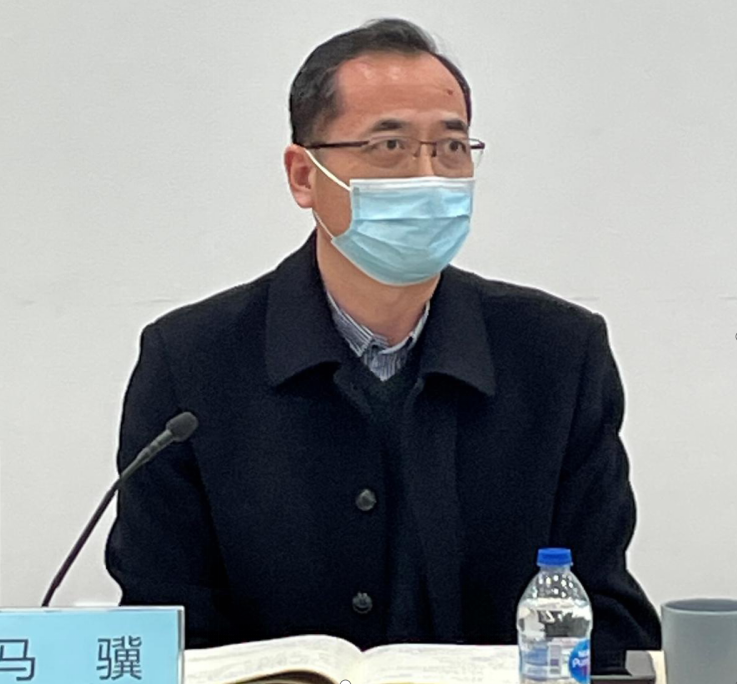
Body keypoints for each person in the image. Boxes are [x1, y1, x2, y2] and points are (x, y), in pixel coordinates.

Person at [105, 18, 662, 653]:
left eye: (451, 147)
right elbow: (163, 629)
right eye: (389, 146)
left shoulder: (557, 355)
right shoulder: (191, 361)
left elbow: (602, 615)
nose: (428, 176)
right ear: (304, 175)